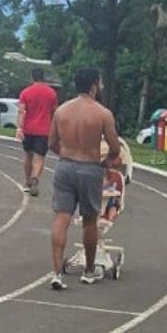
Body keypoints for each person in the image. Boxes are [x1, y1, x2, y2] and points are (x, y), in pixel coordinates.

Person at [47, 67, 120, 290]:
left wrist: (66, 156)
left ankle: (57, 271)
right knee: (90, 220)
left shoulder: (61, 110)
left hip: (65, 166)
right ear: (93, 86)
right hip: (90, 167)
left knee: (62, 217)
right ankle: (88, 270)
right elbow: (115, 147)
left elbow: (51, 143)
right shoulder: (102, 113)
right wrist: (106, 163)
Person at [16, 68, 58, 196]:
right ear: (43, 77)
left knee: (28, 155)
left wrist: (19, 127)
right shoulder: (51, 93)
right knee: (40, 157)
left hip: (29, 128)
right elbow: (54, 112)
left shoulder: (25, 92)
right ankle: (35, 178)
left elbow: (21, 111)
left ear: (32, 77)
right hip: (44, 130)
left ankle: (28, 181)